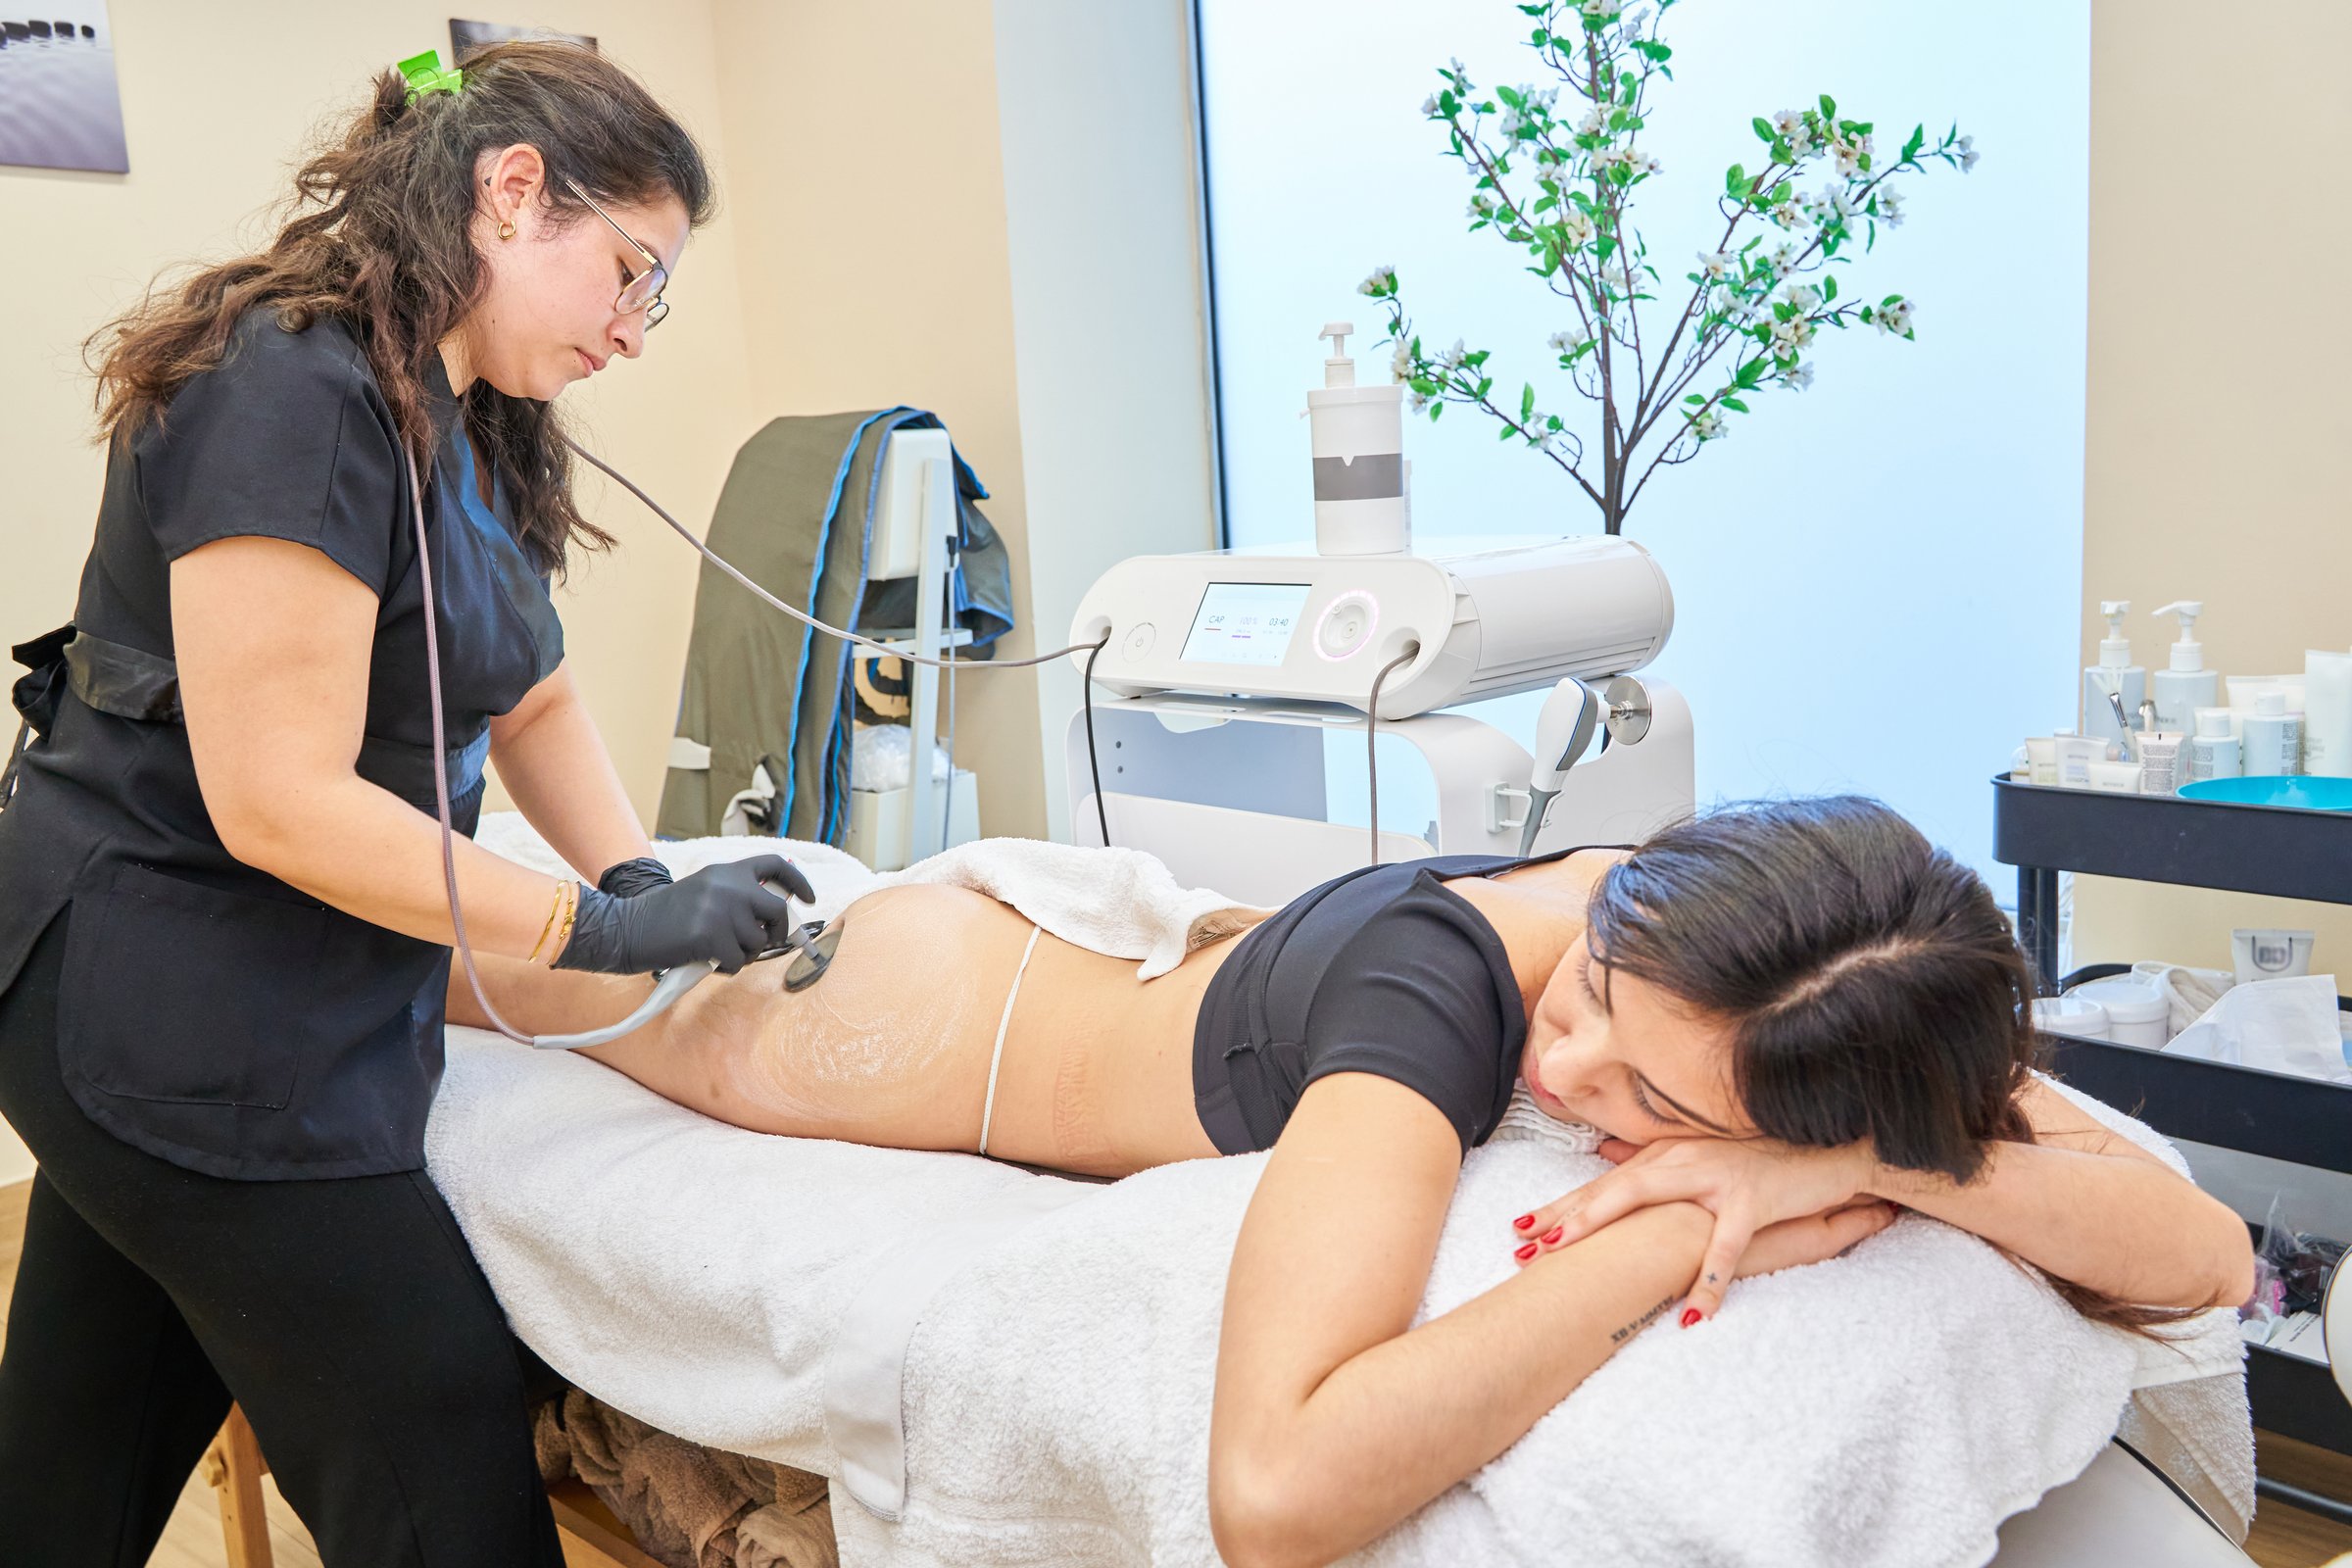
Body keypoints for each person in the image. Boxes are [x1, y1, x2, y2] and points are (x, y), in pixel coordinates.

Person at [456, 796, 2256, 1568]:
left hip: (1125, 948)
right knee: (498, 971)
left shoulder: (1813, 971)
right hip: (870, 1019)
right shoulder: (1443, 1001)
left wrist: (1853, 1164)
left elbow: (2200, 1255)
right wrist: (1663, 1234)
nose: (1567, 1082)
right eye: (1592, 1005)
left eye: (1650, 1098)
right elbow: (1275, 1489)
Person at [0, 42, 804, 1566]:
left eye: (657, 295)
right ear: (514, 195)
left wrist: (637, 868)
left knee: (62, 1492)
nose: (635, 331)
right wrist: (599, 932)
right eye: (631, 274)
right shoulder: (287, 392)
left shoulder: (467, 409)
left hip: (256, 995)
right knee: (441, 1477)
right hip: (169, 1016)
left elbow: (533, 692)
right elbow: (282, 805)